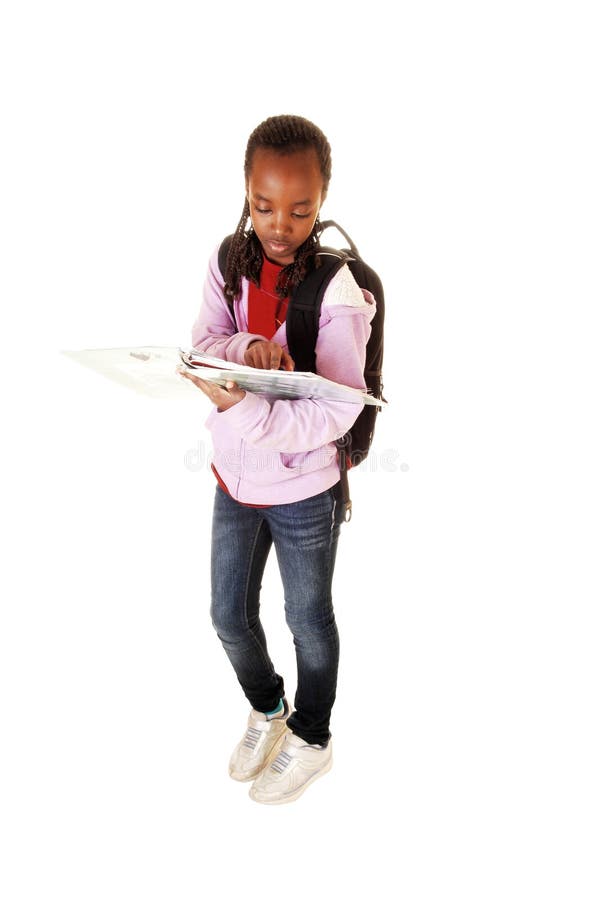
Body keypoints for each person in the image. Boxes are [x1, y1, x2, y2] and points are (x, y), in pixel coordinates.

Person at [179, 114, 376, 805]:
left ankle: (313, 737)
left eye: (300, 209)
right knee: (227, 614)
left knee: (306, 617)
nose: (279, 224)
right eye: (263, 205)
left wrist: (242, 408)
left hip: (304, 490)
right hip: (234, 477)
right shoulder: (227, 259)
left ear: (321, 199)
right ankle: (269, 710)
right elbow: (207, 336)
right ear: (245, 190)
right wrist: (244, 352)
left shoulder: (338, 293)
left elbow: (337, 410)